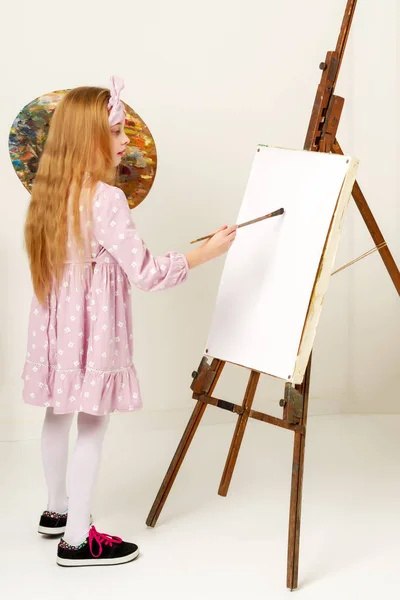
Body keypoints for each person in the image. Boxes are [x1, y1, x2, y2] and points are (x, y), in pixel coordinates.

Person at [22, 76, 237, 567]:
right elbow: (146, 273)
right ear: (89, 138)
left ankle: (56, 510)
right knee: (92, 425)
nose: (125, 143)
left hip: (56, 330)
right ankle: (77, 540)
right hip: (93, 332)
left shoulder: (49, 192)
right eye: (117, 132)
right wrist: (205, 253)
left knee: (57, 413)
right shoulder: (106, 199)